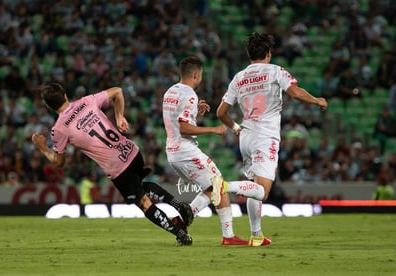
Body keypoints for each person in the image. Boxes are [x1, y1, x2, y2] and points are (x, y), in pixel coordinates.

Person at [31, 83, 194, 246]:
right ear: (65, 95)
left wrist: (43, 148)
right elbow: (117, 91)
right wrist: (119, 116)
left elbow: (59, 162)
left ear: (48, 106)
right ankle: (179, 206)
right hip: (132, 151)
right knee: (141, 187)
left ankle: (180, 234)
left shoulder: (59, 129)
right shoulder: (86, 101)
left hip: (117, 167)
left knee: (143, 203)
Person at [216, 33, 327, 246]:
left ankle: (256, 235)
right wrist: (316, 100)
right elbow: (294, 92)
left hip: (245, 136)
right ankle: (224, 187)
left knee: (253, 186)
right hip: (265, 136)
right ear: (268, 53)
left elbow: (221, 112)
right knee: (262, 191)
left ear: (249, 54)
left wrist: (235, 127)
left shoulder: (239, 77)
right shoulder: (275, 70)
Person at [162, 55, 266, 246]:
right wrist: (213, 129)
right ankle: (228, 236)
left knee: (211, 189)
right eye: (201, 74)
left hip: (173, 153)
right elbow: (184, 128)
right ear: (196, 74)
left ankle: (181, 220)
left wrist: (195, 112)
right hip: (186, 152)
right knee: (219, 184)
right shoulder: (189, 95)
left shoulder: (170, 92)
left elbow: (177, 122)